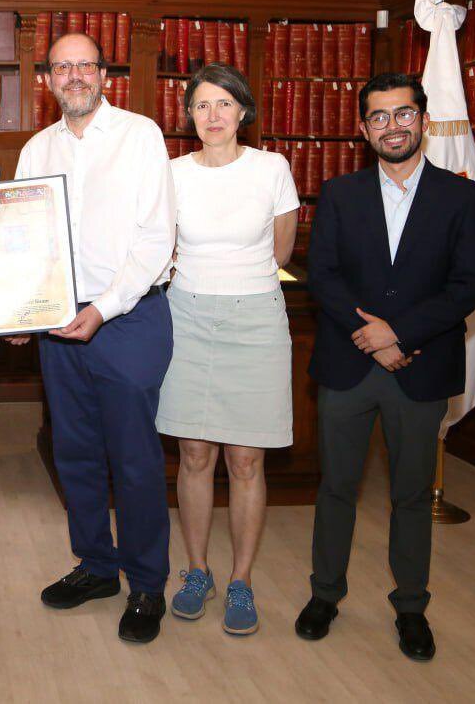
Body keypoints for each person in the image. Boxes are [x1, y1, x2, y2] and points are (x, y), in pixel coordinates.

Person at [294, 72, 475, 661]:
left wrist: (398, 333)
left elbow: (469, 284)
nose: (392, 126)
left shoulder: (462, 197)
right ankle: (324, 594)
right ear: (363, 129)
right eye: (379, 117)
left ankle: (410, 607)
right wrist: (373, 337)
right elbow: (321, 276)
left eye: (403, 114)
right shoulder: (339, 192)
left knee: (410, 495)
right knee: (336, 489)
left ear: (423, 121)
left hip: (421, 367)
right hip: (349, 366)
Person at [11, 32, 177, 644]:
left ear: (104, 74)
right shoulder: (35, 149)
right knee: (74, 454)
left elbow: (156, 239)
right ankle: (97, 566)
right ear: (47, 79)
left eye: (85, 65)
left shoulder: (140, 136)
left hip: (127, 320)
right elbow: (23, 240)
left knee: (134, 461)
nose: (74, 75)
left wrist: (103, 310)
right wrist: (21, 312)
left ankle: (147, 584)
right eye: (62, 67)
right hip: (59, 325)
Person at [158, 64, 298, 636]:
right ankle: (197, 572)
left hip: (255, 321)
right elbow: (158, 246)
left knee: (245, 459)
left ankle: (241, 580)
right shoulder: (169, 174)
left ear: (243, 111)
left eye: (223, 104)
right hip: (186, 317)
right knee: (194, 454)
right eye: (201, 106)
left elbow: (281, 251)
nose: (212, 116)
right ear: (189, 115)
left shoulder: (272, 169)